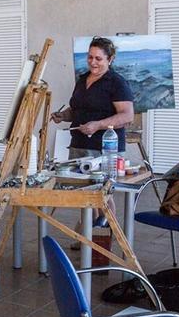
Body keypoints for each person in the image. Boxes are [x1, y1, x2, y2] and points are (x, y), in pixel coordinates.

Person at [50, 36, 134, 227]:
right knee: (84, 194)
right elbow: (78, 109)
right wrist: (63, 115)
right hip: (79, 146)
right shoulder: (82, 80)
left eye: (98, 59)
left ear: (110, 59)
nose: (92, 62)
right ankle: (88, 235)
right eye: (90, 57)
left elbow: (127, 116)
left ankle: (109, 233)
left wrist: (98, 125)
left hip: (105, 148)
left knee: (103, 194)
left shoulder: (116, 82)